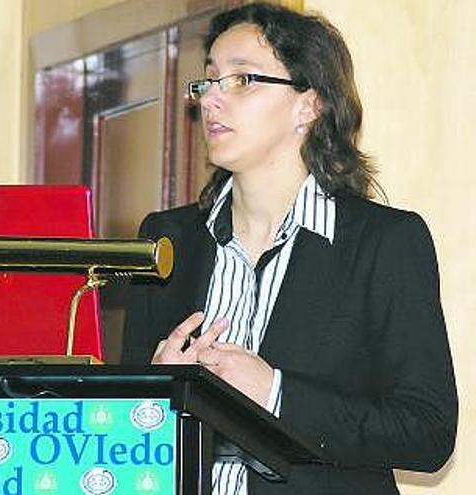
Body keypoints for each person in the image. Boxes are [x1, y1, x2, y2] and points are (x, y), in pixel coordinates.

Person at [121, 3, 457, 494]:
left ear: (308, 104)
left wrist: (275, 393)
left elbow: (427, 432)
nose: (211, 100)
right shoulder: (166, 240)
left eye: (242, 80)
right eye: (209, 81)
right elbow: (126, 435)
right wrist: (154, 393)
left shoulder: (384, 243)